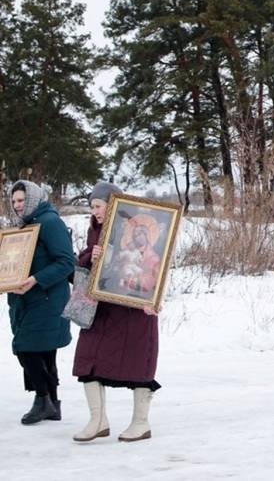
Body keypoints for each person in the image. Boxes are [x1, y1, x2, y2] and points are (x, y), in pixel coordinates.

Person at [73, 181, 162, 442]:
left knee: (138, 360)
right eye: (92, 207)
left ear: (112, 203)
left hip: (134, 306)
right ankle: (97, 420)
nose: (95, 211)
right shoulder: (95, 230)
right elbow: (83, 265)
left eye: (98, 205)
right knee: (88, 356)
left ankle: (140, 422)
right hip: (102, 306)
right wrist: (91, 255)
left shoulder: (137, 228)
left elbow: (157, 261)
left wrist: (153, 296)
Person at [7, 181, 75, 425]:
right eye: (14, 201)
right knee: (45, 353)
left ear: (34, 199)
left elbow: (67, 262)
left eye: (21, 200)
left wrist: (36, 279)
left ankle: (42, 398)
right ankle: (53, 405)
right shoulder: (24, 226)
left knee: (25, 347)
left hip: (47, 299)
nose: (17, 205)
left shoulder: (49, 222)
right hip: (25, 299)